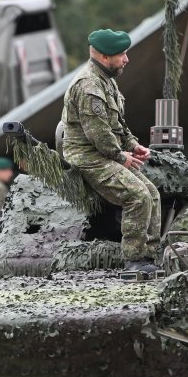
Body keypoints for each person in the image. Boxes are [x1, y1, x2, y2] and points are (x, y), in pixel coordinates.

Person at [61, 28, 161, 274]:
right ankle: (134, 260)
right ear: (105, 57)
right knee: (137, 195)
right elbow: (98, 133)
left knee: (152, 193)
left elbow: (117, 124)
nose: (127, 59)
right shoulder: (89, 86)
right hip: (88, 157)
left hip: (104, 153)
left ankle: (150, 256)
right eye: (122, 54)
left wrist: (133, 145)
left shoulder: (107, 82)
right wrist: (120, 156)